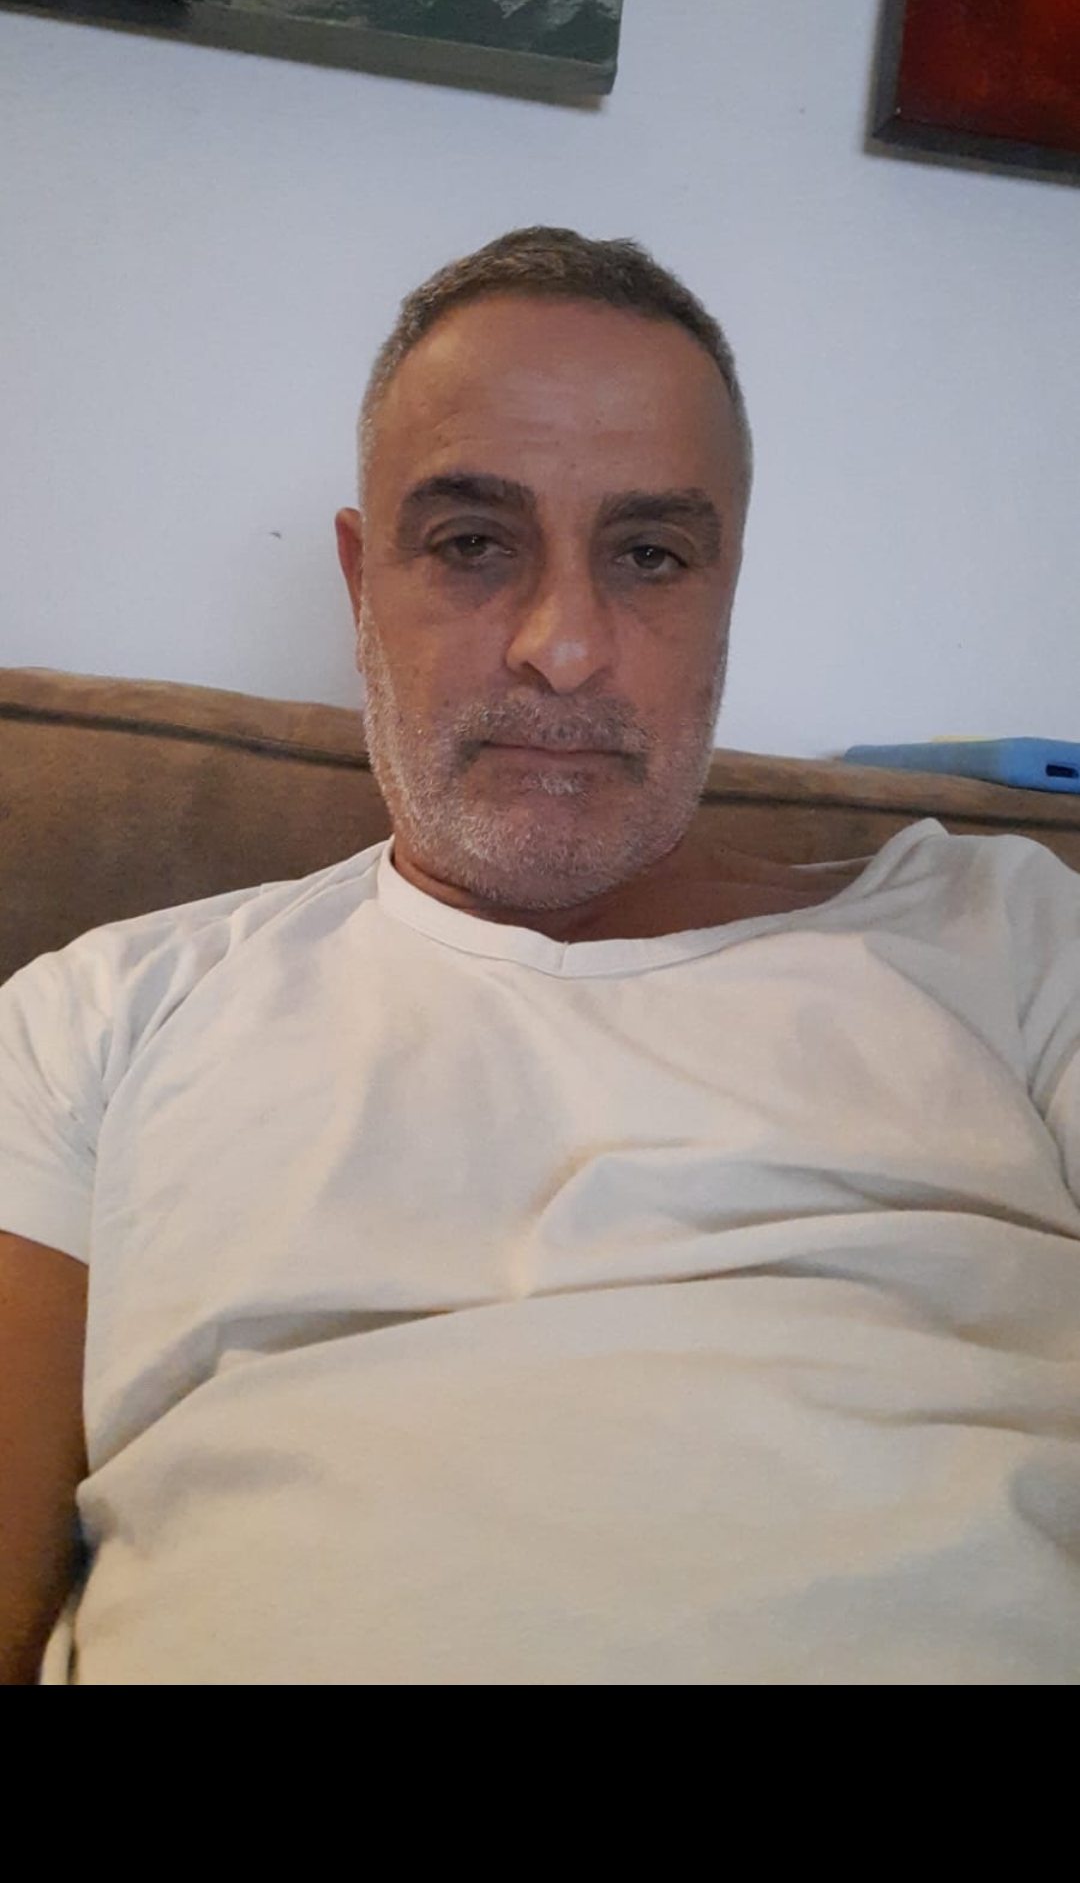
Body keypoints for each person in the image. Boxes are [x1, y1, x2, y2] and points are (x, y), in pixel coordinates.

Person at [2, 226, 1079, 1687]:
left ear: (726, 589)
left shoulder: (1015, 941)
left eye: (649, 555)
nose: (564, 647)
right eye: (471, 544)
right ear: (360, 580)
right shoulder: (96, 1019)